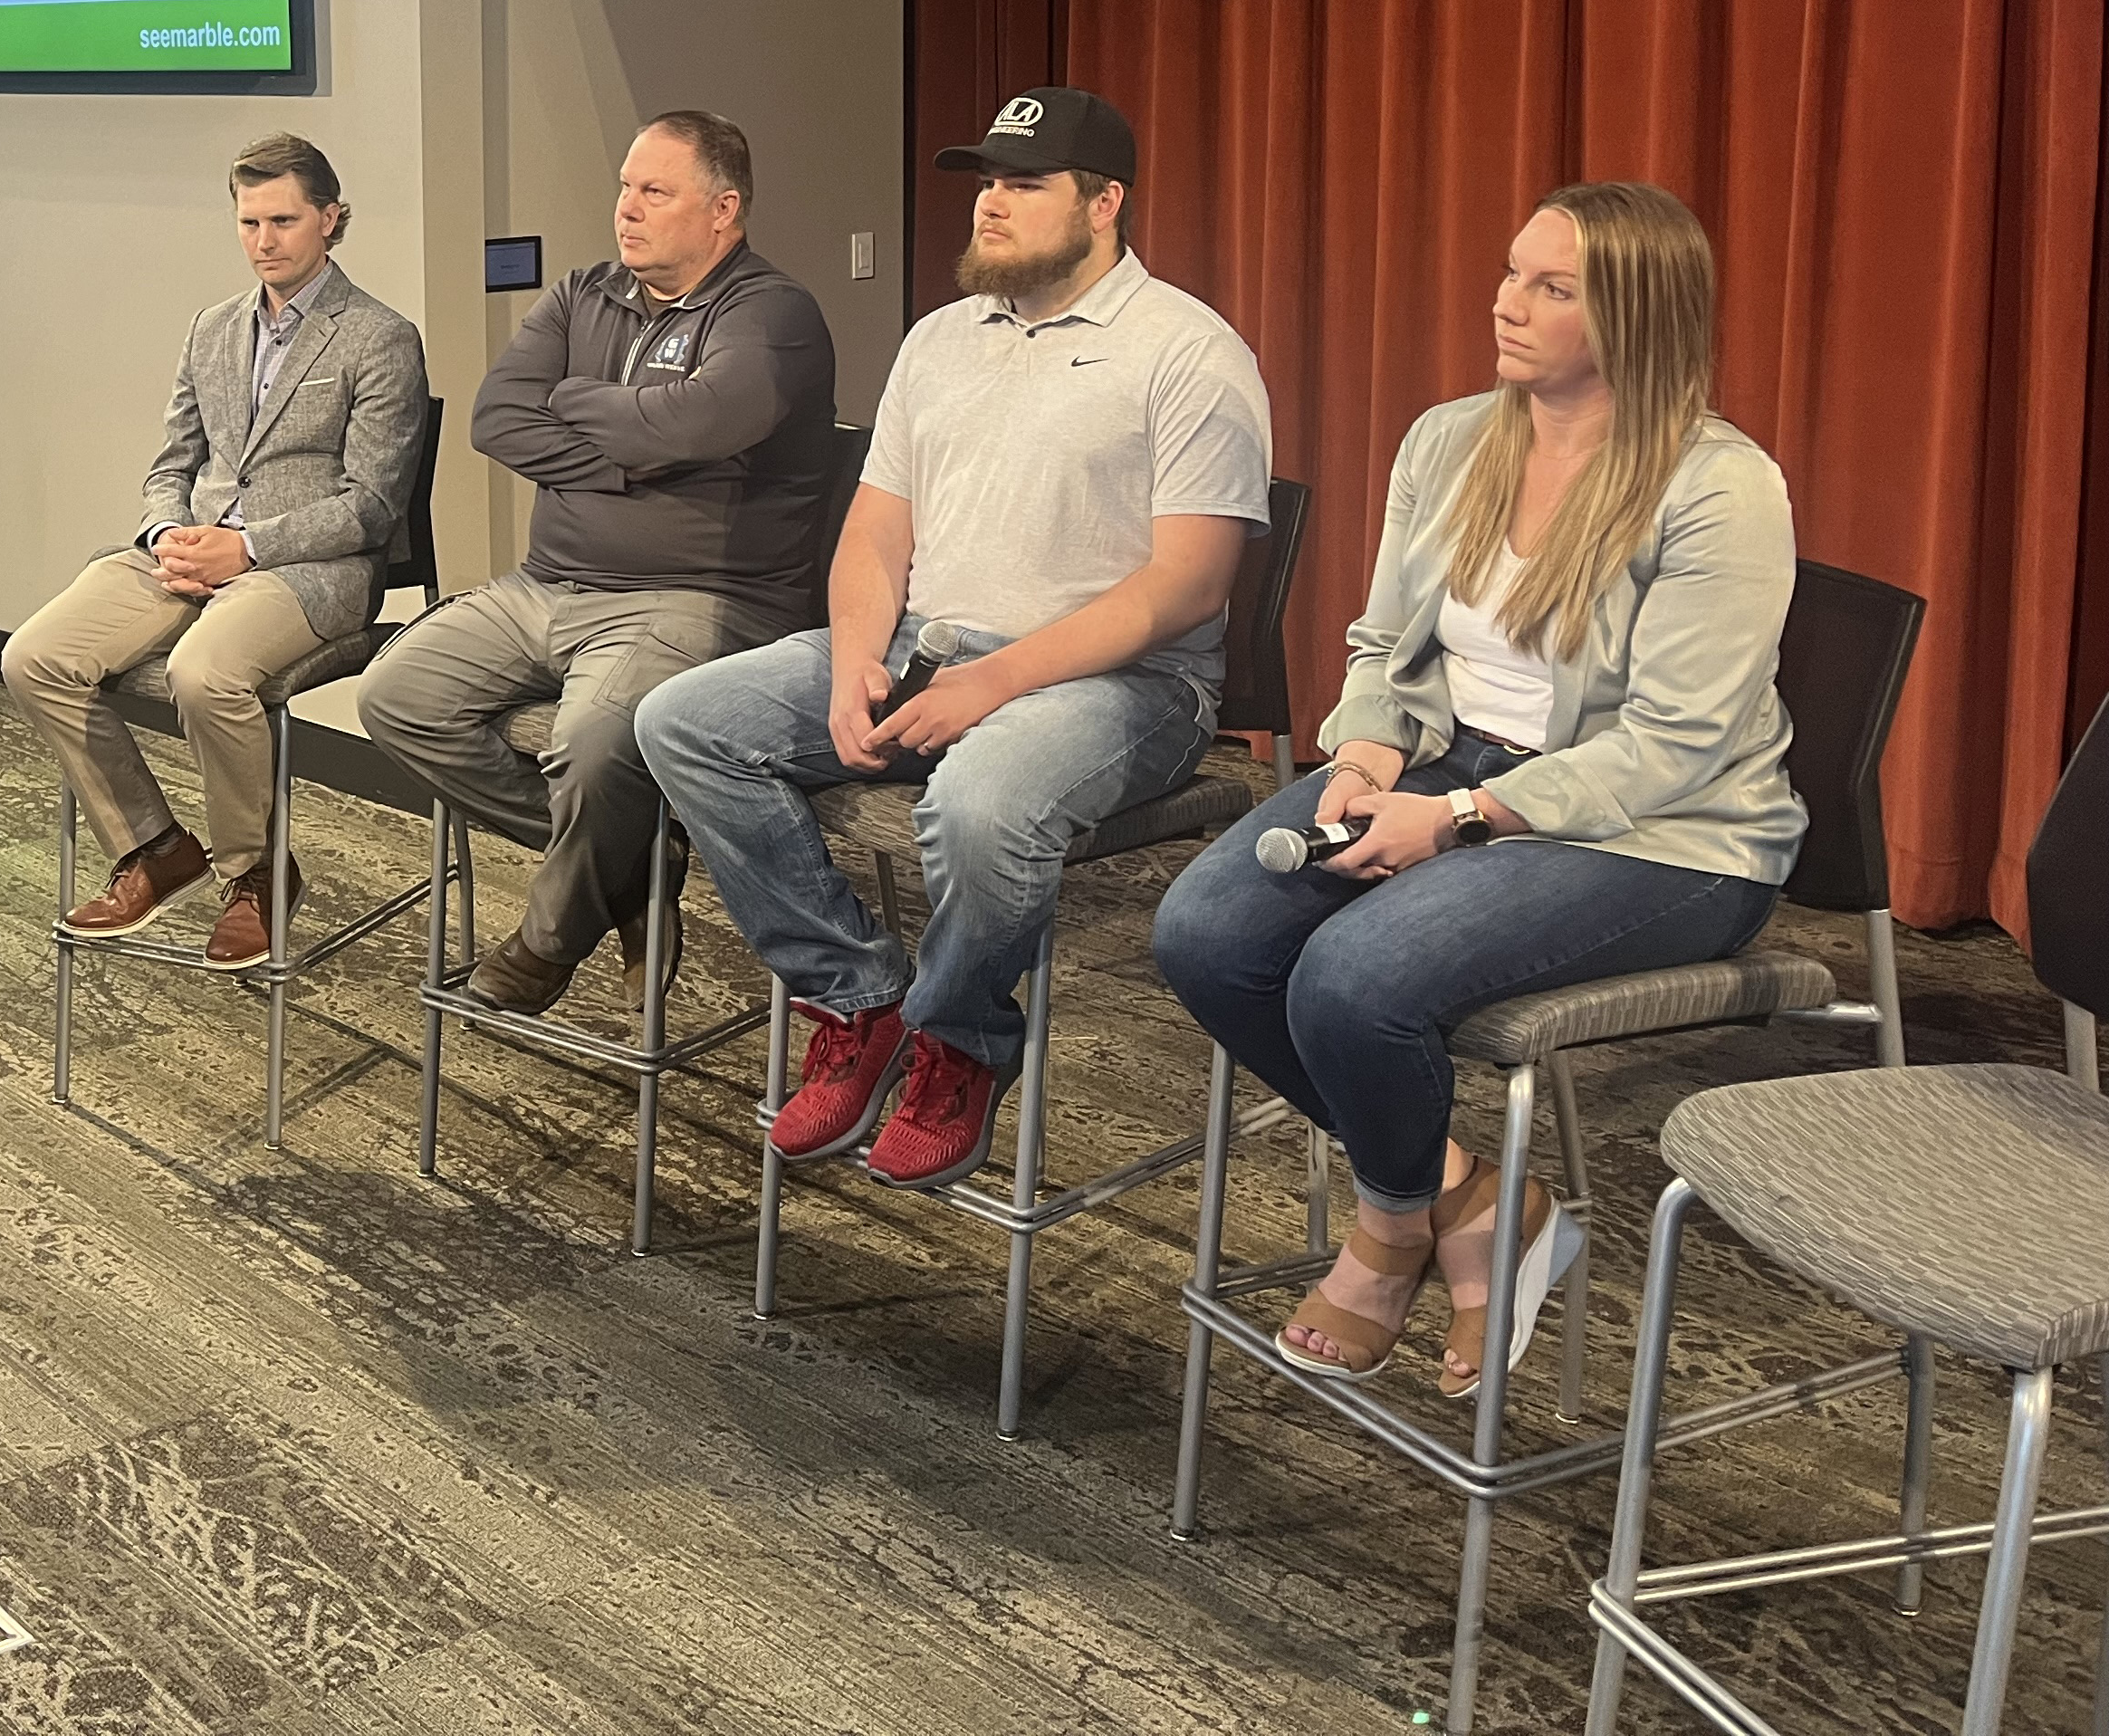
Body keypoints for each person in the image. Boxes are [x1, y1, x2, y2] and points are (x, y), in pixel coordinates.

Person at [1152, 182, 1797, 1393]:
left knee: (1356, 982)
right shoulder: (1451, 438)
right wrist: (1364, 754)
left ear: (1639, 315)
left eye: (1554, 288)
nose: (1507, 304)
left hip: (1672, 838)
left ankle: (1391, 1226)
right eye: (1511, 273)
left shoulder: (1720, 488)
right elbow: (1382, 650)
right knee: (1207, 934)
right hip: (1455, 767)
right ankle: (1471, 1195)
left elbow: (1679, 744)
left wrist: (1459, 818)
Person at [638, 87, 1273, 1187]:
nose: (991, 204)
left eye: (1024, 183)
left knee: (978, 803)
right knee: (683, 723)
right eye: (986, 181)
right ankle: (861, 997)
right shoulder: (941, 339)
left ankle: (961, 1041)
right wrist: (852, 658)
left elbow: (1189, 585)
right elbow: (877, 531)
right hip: (936, 640)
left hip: (1128, 681)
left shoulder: (1188, 350)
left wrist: (990, 686)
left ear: (1105, 201)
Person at [357, 111, 837, 1013]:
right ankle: (632, 864)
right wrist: (636, 455)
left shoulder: (773, 312)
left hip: (698, 598)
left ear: (723, 210)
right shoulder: (586, 292)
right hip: (547, 586)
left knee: (591, 744)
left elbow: (707, 420)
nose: (627, 209)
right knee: (396, 698)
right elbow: (496, 416)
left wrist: (575, 401)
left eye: (655, 192)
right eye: (625, 186)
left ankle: (548, 940)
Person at [7, 134, 429, 973]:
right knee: (35, 656)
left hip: (309, 570)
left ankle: (256, 871)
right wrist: (168, 534)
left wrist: (246, 548)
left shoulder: (380, 338)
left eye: (283, 219)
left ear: (330, 220)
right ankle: (156, 846)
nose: (263, 240)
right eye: (248, 222)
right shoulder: (212, 328)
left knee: (204, 675)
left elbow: (373, 507)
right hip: (191, 552)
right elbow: (170, 466)